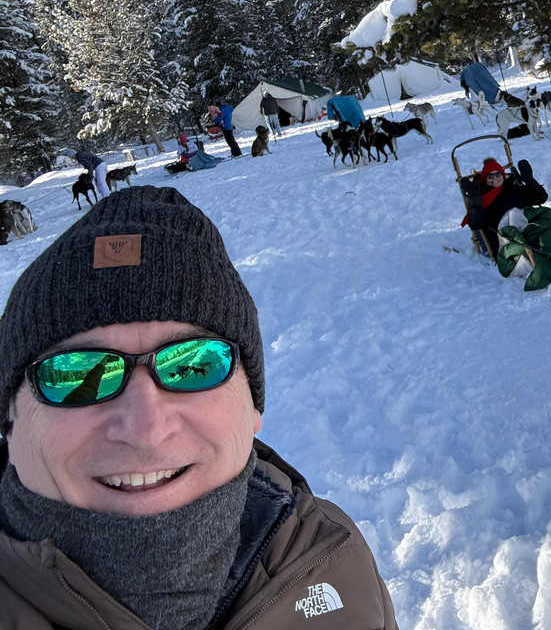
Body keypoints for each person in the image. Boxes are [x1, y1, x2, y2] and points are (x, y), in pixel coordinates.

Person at [0, 186, 397, 629]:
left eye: (194, 363)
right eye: (76, 374)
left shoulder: (332, 565)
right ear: (10, 423)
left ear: (252, 407)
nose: (146, 428)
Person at [460, 157, 548, 256]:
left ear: (503, 175)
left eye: (498, 174)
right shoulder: (482, 198)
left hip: (531, 229)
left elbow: (541, 198)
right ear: (485, 179)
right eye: (490, 176)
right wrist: (475, 199)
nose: (495, 178)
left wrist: (530, 181)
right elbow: (476, 224)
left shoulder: (513, 188)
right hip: (507, 241)